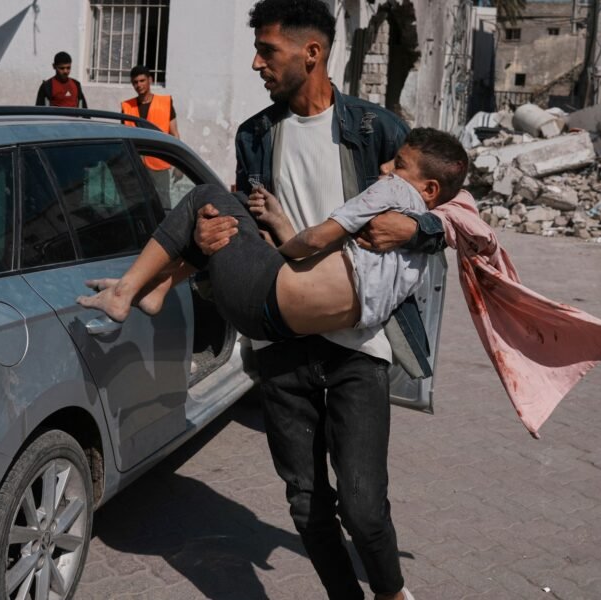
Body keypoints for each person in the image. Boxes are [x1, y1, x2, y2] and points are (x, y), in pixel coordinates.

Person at [193, 2, 447, 599]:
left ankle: (390, 593)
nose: (256, 64)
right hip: (282, 337)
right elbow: (247, 230)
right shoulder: (255, 135)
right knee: (307, 503)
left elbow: (454, 211)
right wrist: (212, 243)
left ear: (311, 53)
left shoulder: (377, 130)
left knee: (363, 506)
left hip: (359, 341)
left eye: (268, 51)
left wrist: (417, 228)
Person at [76, 128, 468, 346]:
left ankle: (124, 291)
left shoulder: (394, 192)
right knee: (239, 206)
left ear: (429, 188)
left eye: (398, 163)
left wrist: (278, 250)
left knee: (205, 196)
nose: (385, 167)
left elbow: (314, 241)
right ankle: (160, 286)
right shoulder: (420, 250)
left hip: (259, 294)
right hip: (280, 327)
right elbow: (333, 270)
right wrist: (279, 223)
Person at [121, 65, 181, 204]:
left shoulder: (165, 103)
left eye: (142, 81)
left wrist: (178, 165)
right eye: (135, 82)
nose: (139, 85)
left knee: (163, 203)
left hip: (159, 163)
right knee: (138, 204)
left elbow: (175, 134)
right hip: (135, 165)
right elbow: (124, 138)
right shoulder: (127, 106)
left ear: (150, 80)